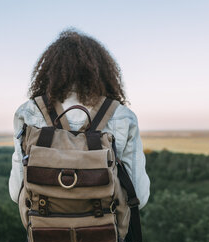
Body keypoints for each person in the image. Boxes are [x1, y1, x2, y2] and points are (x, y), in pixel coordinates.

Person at [9, 29, 150, 214]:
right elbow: (138, 196)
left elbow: (16, 192)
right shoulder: (122, 116)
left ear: (50, 71)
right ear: (103, 72)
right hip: (104, 236)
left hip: (44, 232)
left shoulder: (29, 112)